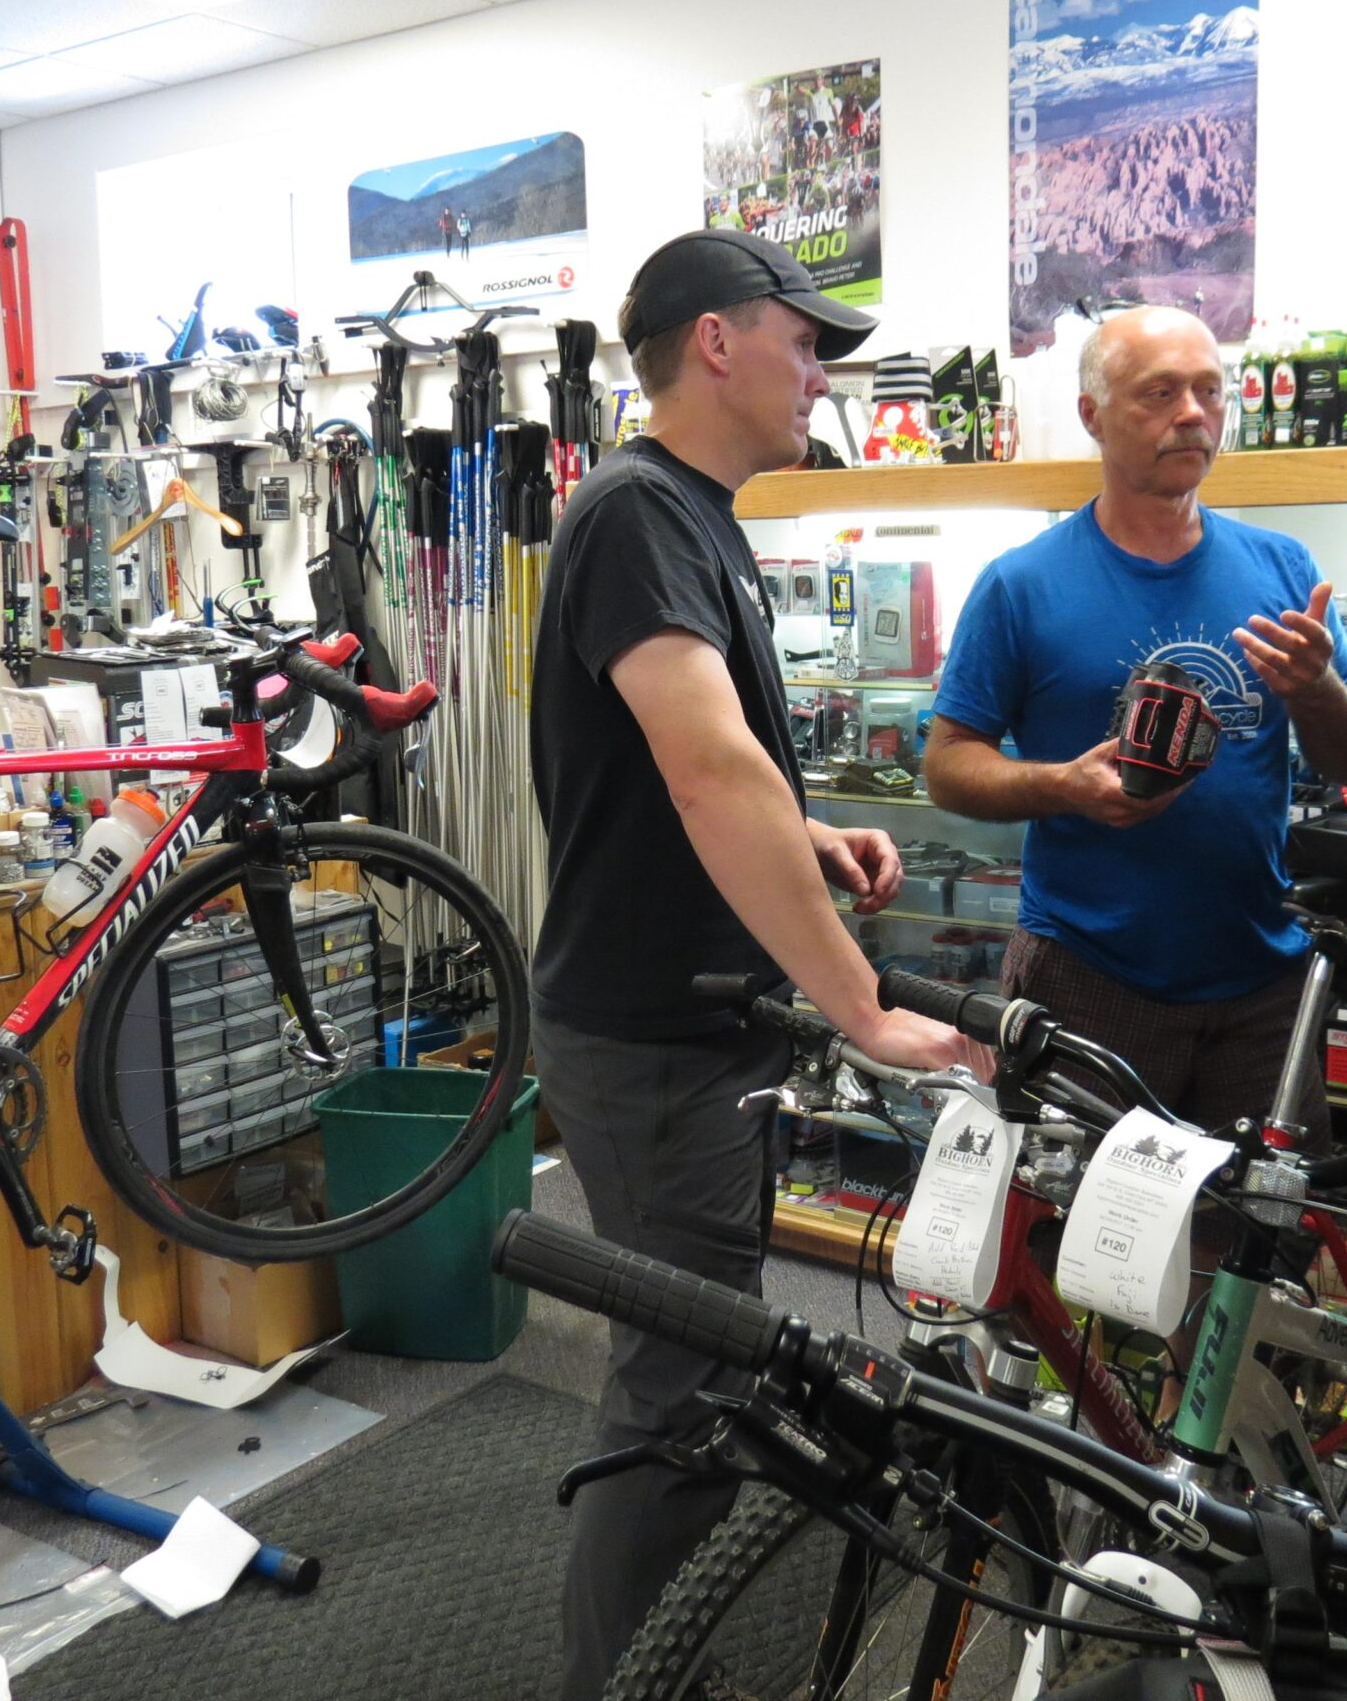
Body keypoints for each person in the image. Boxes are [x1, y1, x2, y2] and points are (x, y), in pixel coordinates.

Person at [530, 227, 983, 1700]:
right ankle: (631, 1680)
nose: (820, 374)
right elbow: (708, 770)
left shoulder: (691, 514)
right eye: (804, 341)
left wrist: (812, 828)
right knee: (677, 1391)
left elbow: (724, 776)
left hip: (689, 1031)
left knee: (695, 1377)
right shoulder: (639, 512)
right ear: (715, 342)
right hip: (652, 1042)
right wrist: (860, 1006)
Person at [925, 305, 1347, 1141]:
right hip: (1088, 981)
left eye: (1210, 391)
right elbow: (949, 763)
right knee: (1080, 1251)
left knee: (1260, 1249)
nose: (1192, 414)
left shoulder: (1284, 568)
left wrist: (1317, 689)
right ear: (1092, 416)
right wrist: (1062, 787)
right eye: (1160, 393)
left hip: (1263, 981)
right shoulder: (1021, 585)